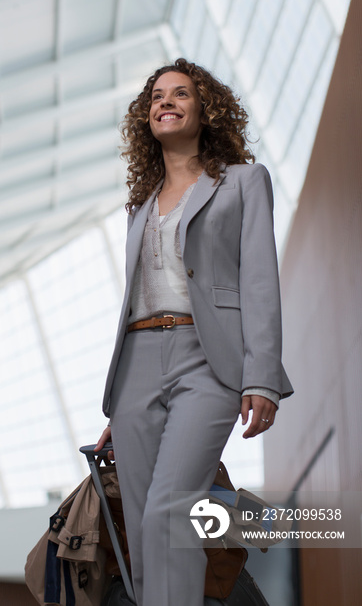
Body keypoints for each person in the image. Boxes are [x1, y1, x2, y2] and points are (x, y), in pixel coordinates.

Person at [95, 58, 293, 606]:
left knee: (170, 507)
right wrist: (119, 406)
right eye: (157, 96)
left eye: (181, 93)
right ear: (146, 116)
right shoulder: (139, 205)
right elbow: (136, 297)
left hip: (207, 359)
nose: (166, 101)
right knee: (142, 527)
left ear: (205, 110)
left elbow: (259, 282)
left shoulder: (244, 182)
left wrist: (263, 376)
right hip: (136, 362)